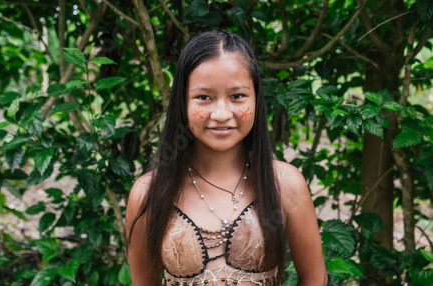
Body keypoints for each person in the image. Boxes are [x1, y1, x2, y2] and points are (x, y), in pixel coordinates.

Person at [125, 30, 327, 285]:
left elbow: (315, 279)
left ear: (256, 100)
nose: (221, 113)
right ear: (182, 102)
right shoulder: (148, 193)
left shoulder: (285, 183)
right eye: (203, 97)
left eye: (237, 96)